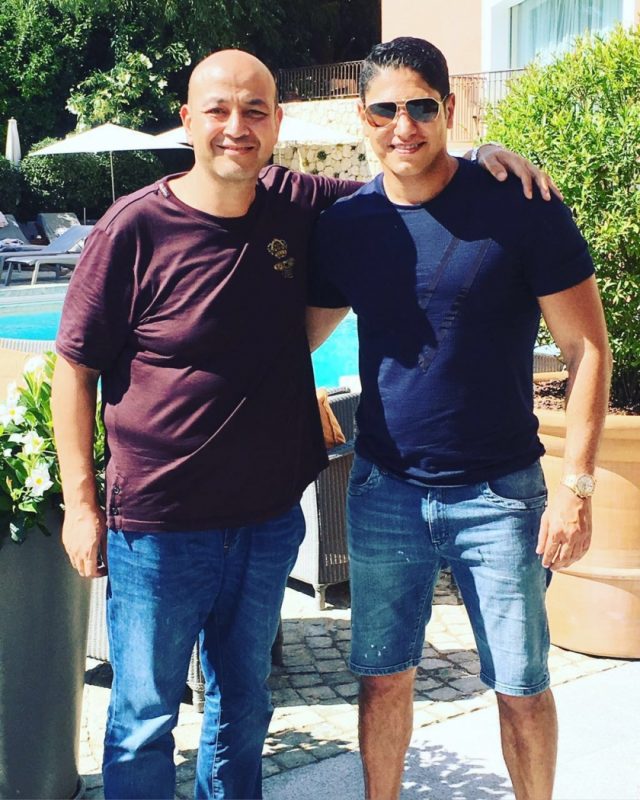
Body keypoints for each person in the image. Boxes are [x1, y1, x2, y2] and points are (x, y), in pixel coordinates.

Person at [51, 47, 561, 800]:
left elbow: (409, 174)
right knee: (143, 717)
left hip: (265, 522)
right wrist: (80, 504)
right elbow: (74, 369)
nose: (236, 126)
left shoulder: (298, 200)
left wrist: (483, 153)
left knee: (242, 705)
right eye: (218, 111)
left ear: (277, 123)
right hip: (158, 525)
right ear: (188, 121)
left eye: (254, 110)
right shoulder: (134, 227)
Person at [307, 37, 611, 800]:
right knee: (382, 679)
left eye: (420, 106)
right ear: (362, 117)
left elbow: (588, 350)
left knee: (521, 686)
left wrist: (576, 487)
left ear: (449, 107)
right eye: (385, 109)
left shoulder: (521, 205)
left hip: (501, 497)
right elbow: (296, 337)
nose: (403, 125)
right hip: (384, 492)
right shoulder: (348, 223)